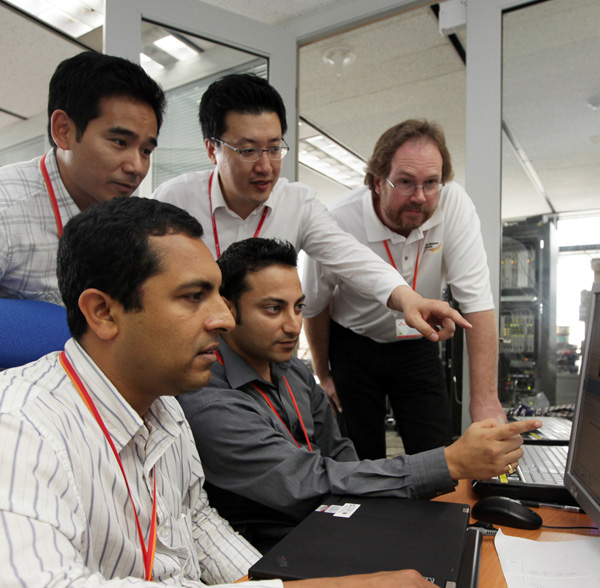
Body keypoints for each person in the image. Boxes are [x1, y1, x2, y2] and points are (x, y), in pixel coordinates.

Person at [0, 197, 483, 588]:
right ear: (103, 312)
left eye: (218, 295)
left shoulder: (164, 409)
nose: (223, 319)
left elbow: (197, 522)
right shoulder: (21, 424)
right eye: (193, 297)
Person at [179, 237, 539, 552]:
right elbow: (308, 484)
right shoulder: (208, 398)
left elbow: (339, 456)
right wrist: (449, 463)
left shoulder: (292, 371)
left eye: (299, 307)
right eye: (273, 309)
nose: (293, 325)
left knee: (459, 543)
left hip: (330, 524)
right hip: (280, 548)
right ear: (228, 308)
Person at [152, 72, 469, 343]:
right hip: (196, 349)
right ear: (213, 149)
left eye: (274, 148)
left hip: (264, 356)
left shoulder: (298, 203)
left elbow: (352, 258)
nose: (266, 166)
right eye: (248, 151)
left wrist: (408, 298)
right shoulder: (175, 199)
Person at [303, 119, 505, 460]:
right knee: (358, 457)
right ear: (377, 182)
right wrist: (323, 374)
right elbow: (314, 306)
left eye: (431, 183)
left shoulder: (453, 205)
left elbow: (478, 303)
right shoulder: (339, 219)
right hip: (353, 344)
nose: (420, 196)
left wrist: (485, 400)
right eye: (406, 182)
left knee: (436, 452)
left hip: (416, 343)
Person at [0, 51, 165, 304]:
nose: (137, 167)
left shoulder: (131, 223)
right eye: (120, 142)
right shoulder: (6, 209)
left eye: (146, 151)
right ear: (63, 130)